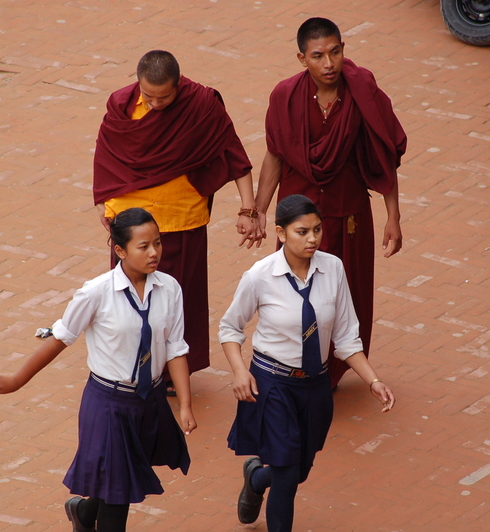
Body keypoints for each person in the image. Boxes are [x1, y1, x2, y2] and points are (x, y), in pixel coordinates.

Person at [0, 208, 197, 532]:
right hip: (108, 405)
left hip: (149, 401)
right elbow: (61, 338)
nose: (155, 252)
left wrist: (184, 405)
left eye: (158, 243)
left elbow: (175, 348)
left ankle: (84, 513)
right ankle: (91, 517)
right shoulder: (96, 293)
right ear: (120, 251)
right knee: (118, 496)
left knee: (117, 482)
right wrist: (18, 379)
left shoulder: (170, 289)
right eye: (144, 246)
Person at [219, 195, 395, 532]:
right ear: (281, 234)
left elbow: (346, 338)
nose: (313, 238)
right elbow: (229, 327)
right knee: (286, 476)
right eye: (302, 231)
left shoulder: (333, 269)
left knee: (299, 470)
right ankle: (269, 484)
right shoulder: (260, 275)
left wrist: (374, 380)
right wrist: (240, 371)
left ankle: (256, 478)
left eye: (317, 230)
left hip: (315, 385)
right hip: (272, 384)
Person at [93, 50, 264, 389]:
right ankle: (127, 362)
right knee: (129, 296)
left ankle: (173, 372)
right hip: (131, 218)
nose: (156, 104)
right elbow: (107, 152)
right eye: (149, 96)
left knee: (177, 299)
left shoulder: (200, 104)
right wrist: (103, 200)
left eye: (165, 97)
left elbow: (231, 152)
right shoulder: (121, 104)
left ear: (179, 85)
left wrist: (248, 208)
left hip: (180, 217)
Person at [254, 18, 407, 389]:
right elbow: (275, 155)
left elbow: (383, 155)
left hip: (347, 210)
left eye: (335, 52)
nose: (329, 64)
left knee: (346, 292)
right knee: (292, 289)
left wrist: (393, 217)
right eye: (318, 56)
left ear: (343, 49)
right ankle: (293, 364)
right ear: (301, 58)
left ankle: (332, 371)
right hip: (296, 215)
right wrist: (256, 211)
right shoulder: (285, 96)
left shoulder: (362, 92)